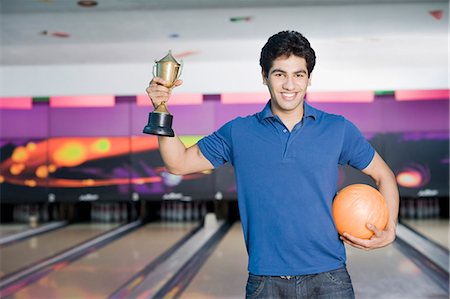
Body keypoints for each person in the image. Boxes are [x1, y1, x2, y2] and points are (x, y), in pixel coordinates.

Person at [146, 30, 399, 299]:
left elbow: (384, 175)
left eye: (298, 74)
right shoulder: (238, 132)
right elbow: (178, 163)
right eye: (280, 74)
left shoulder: (338, 128)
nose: (290, 85)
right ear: (264, 76)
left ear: (309, 79)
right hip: (265, 282)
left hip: (329, 279)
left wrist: (390, 229)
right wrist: (161, 107)